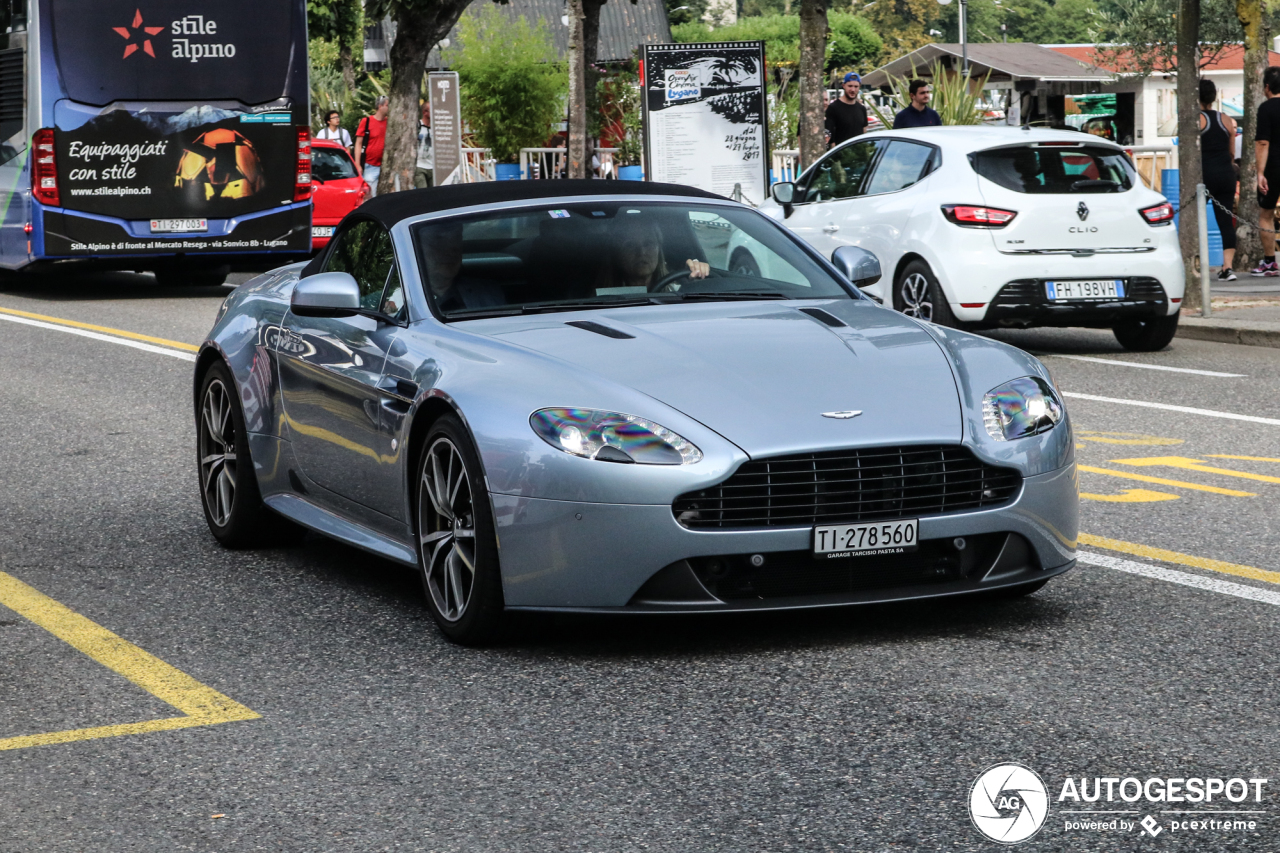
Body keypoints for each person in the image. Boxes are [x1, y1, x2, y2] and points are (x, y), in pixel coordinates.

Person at [595, 215, 710, 291]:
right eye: (630, 245)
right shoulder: (601, 300)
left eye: (648, 244)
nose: (641, 252)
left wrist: (695, 280)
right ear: (617, 253)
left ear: (659, 249)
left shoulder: (677, 291)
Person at [1198, 79, 1239, 281]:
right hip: (1225, 174)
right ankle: (1228, 267)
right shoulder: (1226, 119)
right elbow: (1232, 152)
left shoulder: (1196, 120)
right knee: (1225, 222)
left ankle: (1195, 264)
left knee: (1195, 221)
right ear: (1214, 97)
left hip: (1203, 176)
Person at [421, 223, 504, 312]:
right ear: (417, 247)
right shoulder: (407, 297)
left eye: (456, 239)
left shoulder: (488, 292)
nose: (451, 251)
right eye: (437, 240)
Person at [1253, 66, 1280, 276]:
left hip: (1274, 167)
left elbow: (1263, 142)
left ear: (1267, 87)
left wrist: (1260, 173)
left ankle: (1270, 262)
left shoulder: (1266, 109)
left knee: (1266, 213)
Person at [354, 95, 389, 197]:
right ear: (380, 106)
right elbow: (358, 143)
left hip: (385, 165)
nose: (389, 107)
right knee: (370, 196)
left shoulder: (389, 122)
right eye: (387, 105)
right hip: (370, 165)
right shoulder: (366, 122)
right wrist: (357, 164)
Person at [825, 72, 868, 149]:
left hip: (860, 155)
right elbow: (830, 137)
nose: (853, 89)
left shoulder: (862, 109)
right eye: (850, 86)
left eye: (856, 86)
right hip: (841, 155)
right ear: (843, 86)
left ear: (859, 87)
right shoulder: (833, 108)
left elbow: (864, 132)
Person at [414, 102, 433, 189]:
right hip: (420, 166)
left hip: (433, 166)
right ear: (425, 112)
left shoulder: (436, 127)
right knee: (423, 193)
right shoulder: (417, 126)